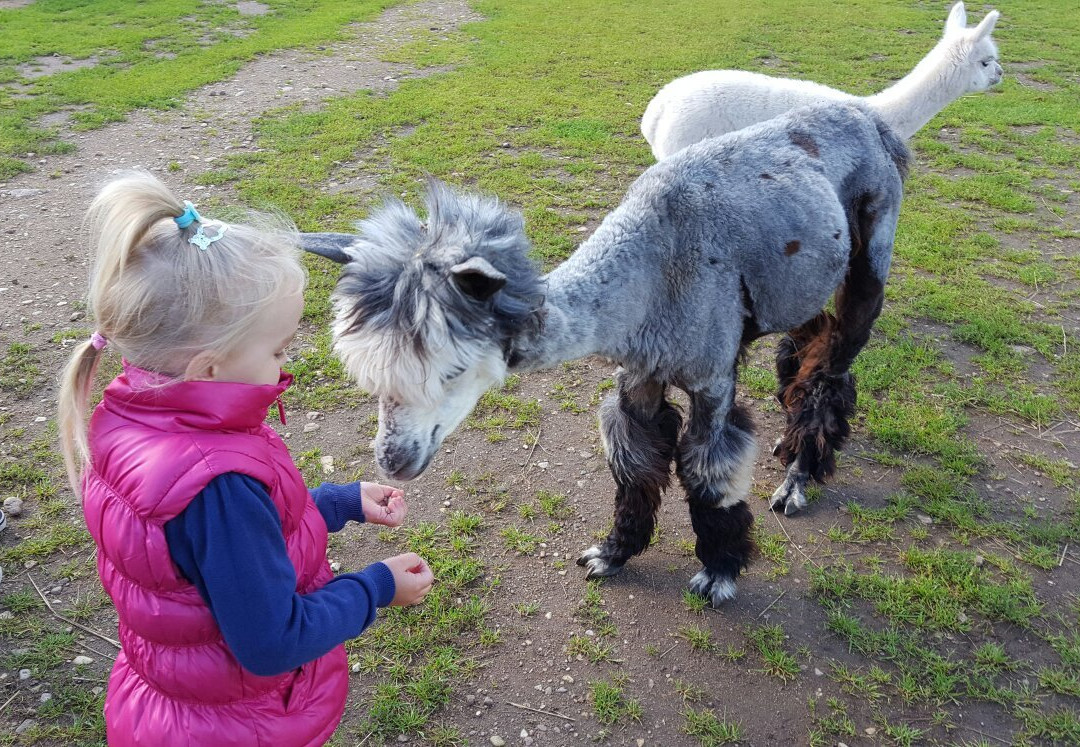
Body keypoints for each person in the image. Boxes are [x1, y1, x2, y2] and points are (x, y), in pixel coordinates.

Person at [57, 171, 434, 747]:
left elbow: (217, 548)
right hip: (237, 724)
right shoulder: (217, 484)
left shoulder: (132, 415)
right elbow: (272, 641)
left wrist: (339, 502)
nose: (284, 367)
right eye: (277, 350)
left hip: (171, 702)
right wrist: (377, 586)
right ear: (208, 368)